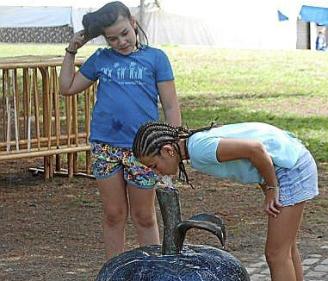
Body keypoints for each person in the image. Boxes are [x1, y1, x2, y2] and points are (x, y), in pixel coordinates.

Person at [59, 1, 181, 259]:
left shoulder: (155, 58)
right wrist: (71, 51)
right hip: (105, 147)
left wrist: (174, 145)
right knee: (114, 214)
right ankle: (115, 270)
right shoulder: (101, 59)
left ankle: (151, 270)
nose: (121, 42)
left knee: (144, 216)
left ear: (133, 23)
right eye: (112, 38)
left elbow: (170, 105)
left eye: (124, 33)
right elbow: (67, 87)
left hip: (144, 150)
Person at [132, 121, 319, 281]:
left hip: (291, 168)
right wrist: (266, 183)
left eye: (154, 166)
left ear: (167, 150)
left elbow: (255, 149)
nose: (157, 172)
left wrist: (271, 187)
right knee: (285, 249)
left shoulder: (199, 149)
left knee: (275, 254)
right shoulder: (194, 144)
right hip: (287, 161)